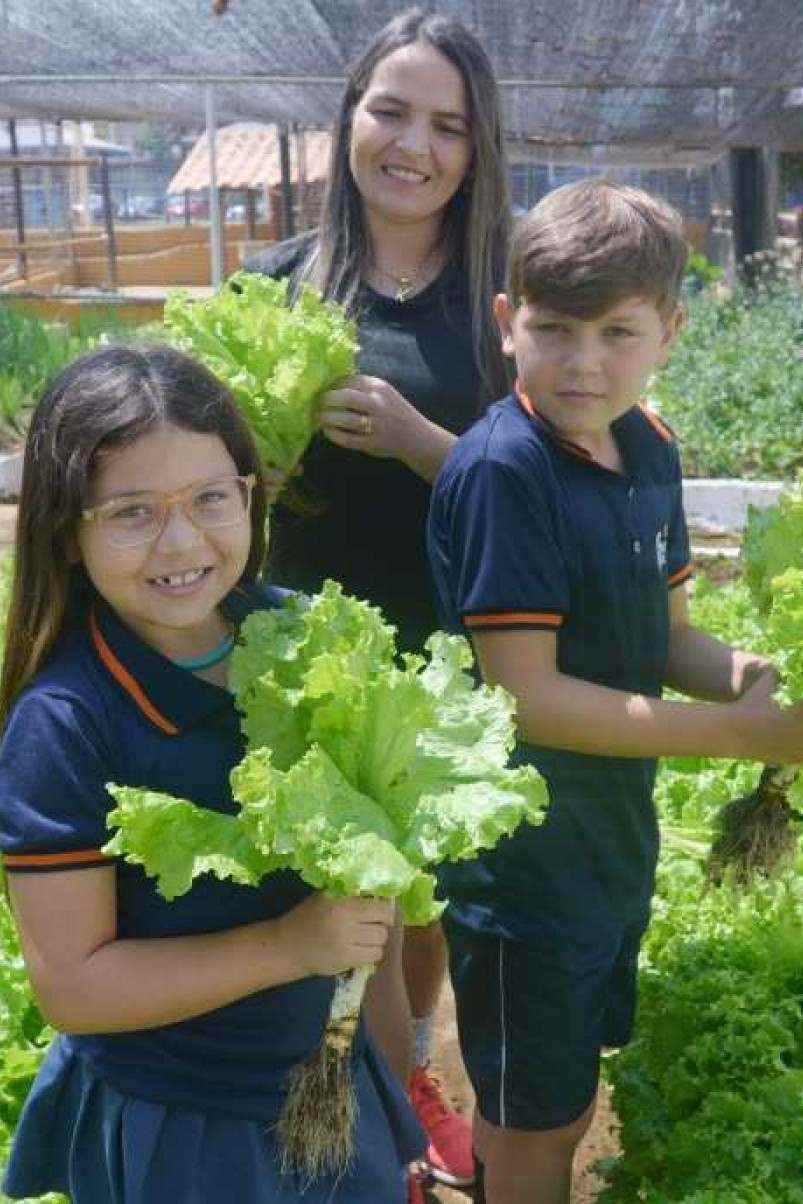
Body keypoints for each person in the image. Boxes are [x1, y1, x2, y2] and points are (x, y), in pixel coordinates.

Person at [425, 181, 803, 1203]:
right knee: (533, 1120)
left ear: (670, 331)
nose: (585, 361)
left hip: (608, 842)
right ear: (505, 324)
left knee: (560, 1099)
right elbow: (526, 697)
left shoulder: (648, 447)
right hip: (520, 870)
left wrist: (764, 683)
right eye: (554, 329)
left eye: (619, 331)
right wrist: (737, 733)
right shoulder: (504, 475)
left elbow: (667, 639)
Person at [0, 344, 423, 1202]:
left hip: (333, 1084)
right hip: (185, 1130)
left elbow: (377, 886)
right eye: (131, 513)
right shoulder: (67, 724)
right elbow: (73, 985)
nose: (180, 542)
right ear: (65, 535)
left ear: (251, 496)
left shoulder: (309, 639)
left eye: (210, 499)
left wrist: (390, 1051)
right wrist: (288, 945)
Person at [246, 11, 510, 1188]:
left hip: (451, 643)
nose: (415, 144)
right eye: (391, 111)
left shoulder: (503, 310)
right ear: (348, 119)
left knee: (424, 888)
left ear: (477, 149)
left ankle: (405, 1073)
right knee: (337, 886)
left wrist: (422, 444)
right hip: (303, 640)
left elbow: (546, 495)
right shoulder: (276, 289)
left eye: (448, 125)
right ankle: (380, 1088)